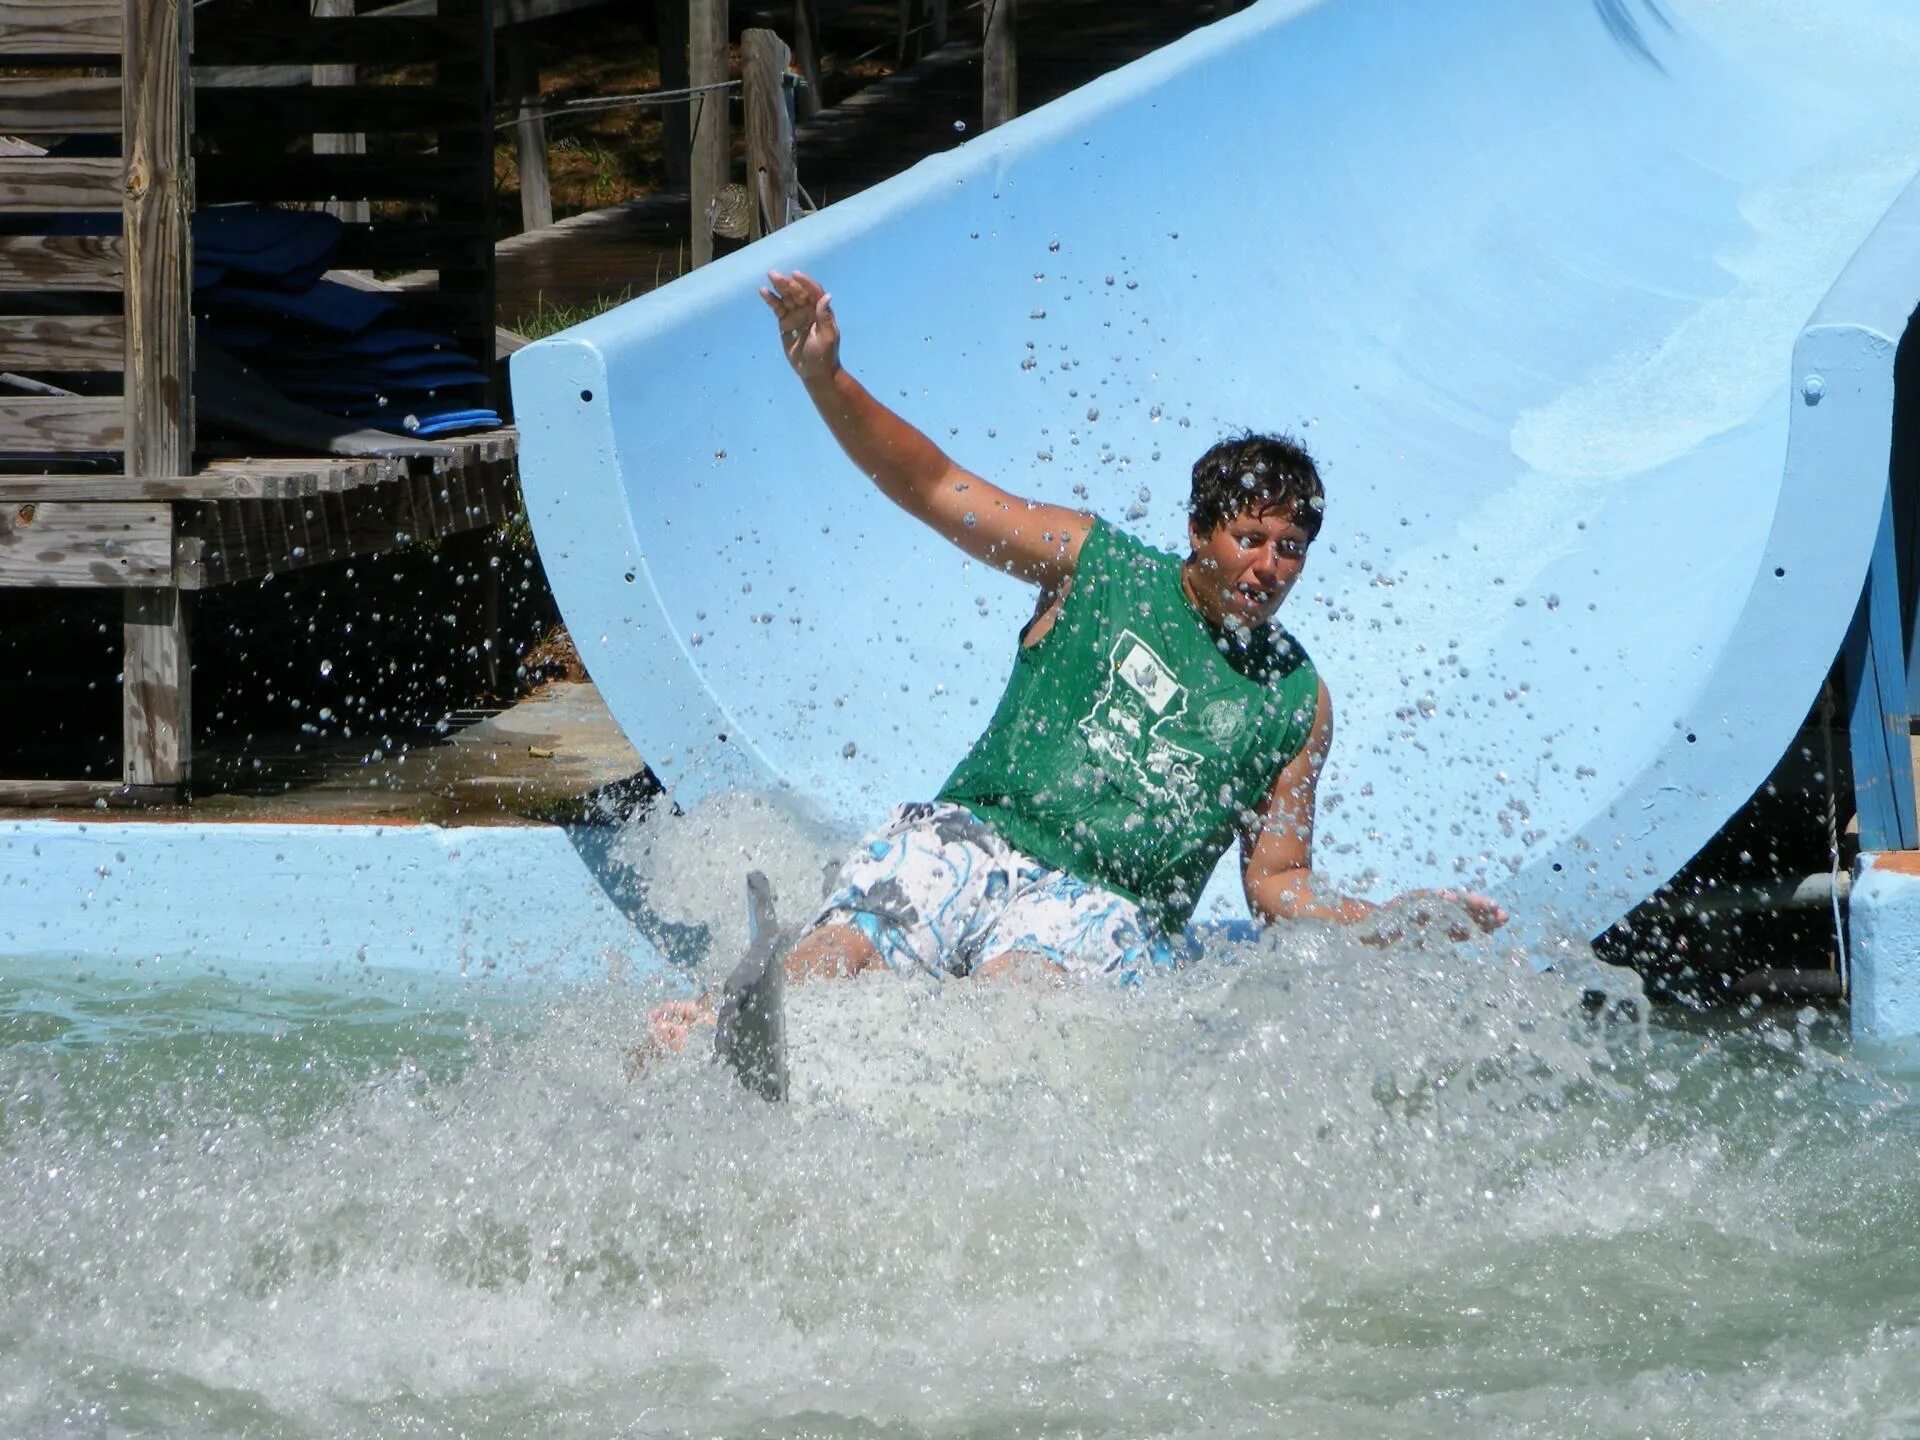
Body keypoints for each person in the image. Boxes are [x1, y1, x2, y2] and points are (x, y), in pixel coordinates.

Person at [650, 269, 1505, 1053]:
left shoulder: (1294, 700)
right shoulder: (1096, 564)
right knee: (855, 943)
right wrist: (826, 379)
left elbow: (1277, 883)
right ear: (1200, 532)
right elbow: (937, 487)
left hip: (1105, 903)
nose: (1269, 566)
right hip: (974, 838)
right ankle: (733, 1033)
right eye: (1250, 538)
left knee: (1018, 997)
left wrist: (1386, 919)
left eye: (1290, 548)